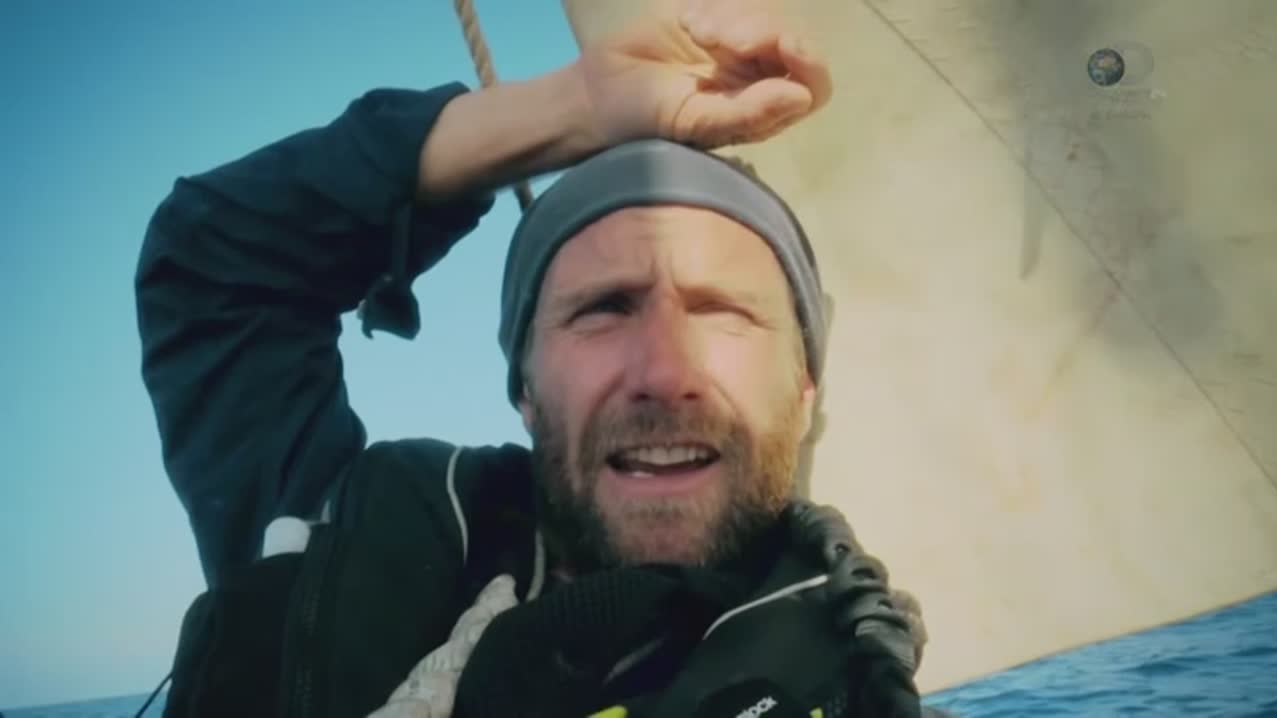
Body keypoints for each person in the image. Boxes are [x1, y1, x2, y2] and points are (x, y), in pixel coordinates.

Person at [136, 2, 942, 716]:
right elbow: (214, 259)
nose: (665, 374)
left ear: (805, 389)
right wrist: (579, 106)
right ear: (524, 387)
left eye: (722, 310)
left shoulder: (869, 683)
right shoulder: (338, 545)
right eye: (604, 308)